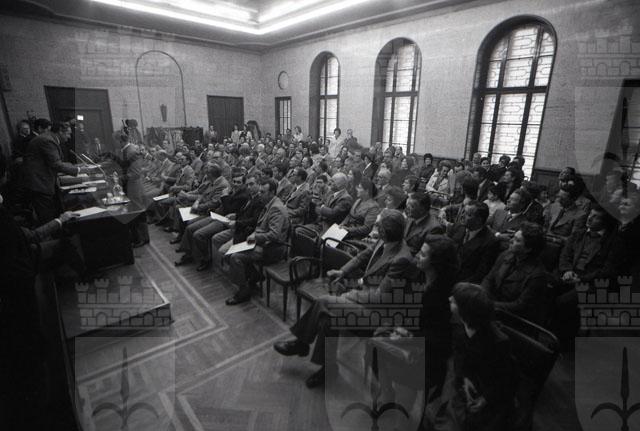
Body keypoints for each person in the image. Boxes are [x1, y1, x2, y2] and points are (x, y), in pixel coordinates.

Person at [273, 209, 416, 388]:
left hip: (378, 313)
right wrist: (342, 271)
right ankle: (328, 369)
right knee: (327, 319)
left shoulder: (402, 258)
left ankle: (302, 343)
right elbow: (362, 256)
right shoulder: (386, 240)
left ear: (384, 232)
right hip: (364, 297)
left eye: (377, 226)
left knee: (324, 302)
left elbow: (380, 297)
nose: (374, 228)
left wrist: (351, 295)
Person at [431, 283, 517, 431]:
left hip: (489, 390)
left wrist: (485, 399)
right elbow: (459, 356)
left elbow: (507, 378)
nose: (449, 299)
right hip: (468, 379)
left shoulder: (499, 342)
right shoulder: (460, 327)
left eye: (454, 301)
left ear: (466, 311)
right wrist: (464, 378)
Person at [225, 178, 290, 305]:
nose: (259, 194)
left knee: (235, 257)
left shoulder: (276, 208)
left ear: (272, 192)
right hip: (263, 243)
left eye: (262, 192)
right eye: (259, 191)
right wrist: (255, 234)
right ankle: (254, 276)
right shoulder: (269, 203)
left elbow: (274, 235)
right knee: (229, 254)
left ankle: (243, 292)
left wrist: (256, 237)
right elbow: (262, 226)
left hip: (272, 249)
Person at [482, 222, 549, 324]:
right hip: (491, 306)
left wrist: (489, 304)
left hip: (511, 319)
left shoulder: (537, 275)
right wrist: (482, 296)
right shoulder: (506, 254)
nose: (511, 240)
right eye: (513, 237)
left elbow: (519, 306)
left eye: (517, 240)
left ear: (528, 248)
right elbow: (489, 279)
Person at [22, 121, 88, 224]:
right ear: (60, 131)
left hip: (41, 182)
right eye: (68, 133)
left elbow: (54, 161)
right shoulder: (48, 140)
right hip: (40, 184)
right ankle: (53, 232)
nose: (69, 137)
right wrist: (79, 170)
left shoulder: (48, 138)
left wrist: (75, 166)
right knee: (47, 216)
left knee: (52, 212)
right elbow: (56, 164)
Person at [121, 142, 150, 248]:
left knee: (139, 212)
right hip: (133, 187)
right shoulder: (128, 151)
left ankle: (142, 238)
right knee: (137, 212)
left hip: (135, 188)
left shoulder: (131, 152)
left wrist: (122, 177)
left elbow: (136, 173)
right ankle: (139, 237)